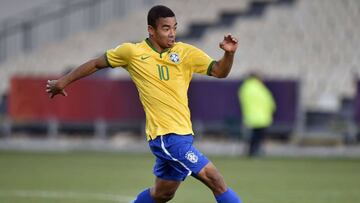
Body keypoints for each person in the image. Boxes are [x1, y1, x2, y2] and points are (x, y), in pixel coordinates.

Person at [46, 5, 241, 203]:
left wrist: (229, 54)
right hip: (166, 137)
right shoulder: (132, 52)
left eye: (174, 27)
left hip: (183, 134)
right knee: (215, 180)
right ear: (151, 30)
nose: (172, 33)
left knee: (163, 193)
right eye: (166, 28)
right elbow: (97, 63)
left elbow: (219, 71)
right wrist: (63, 81)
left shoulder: (185, 53)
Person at [238, 72, 276, 157]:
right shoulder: (261, 88)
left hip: (250, 116)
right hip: (263, 117)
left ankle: (251, 152)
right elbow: (269, 101)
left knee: (252, 137)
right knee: (258, 137)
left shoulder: (245, 87)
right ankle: (255, 152)